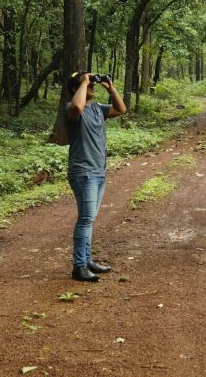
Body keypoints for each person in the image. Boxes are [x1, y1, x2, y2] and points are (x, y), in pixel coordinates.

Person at [64, 71, 127, 282]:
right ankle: (79, 267)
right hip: (83, 172)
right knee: (85, 219)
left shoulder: (98, 109)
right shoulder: (72, 109)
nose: (92, 86)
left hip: (98, 172)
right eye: (88, 84)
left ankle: (86, 260)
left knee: (89, 220)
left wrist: (111, 88)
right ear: (76, 89)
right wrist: (83, 82)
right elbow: (76, 107)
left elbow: (121, 109)